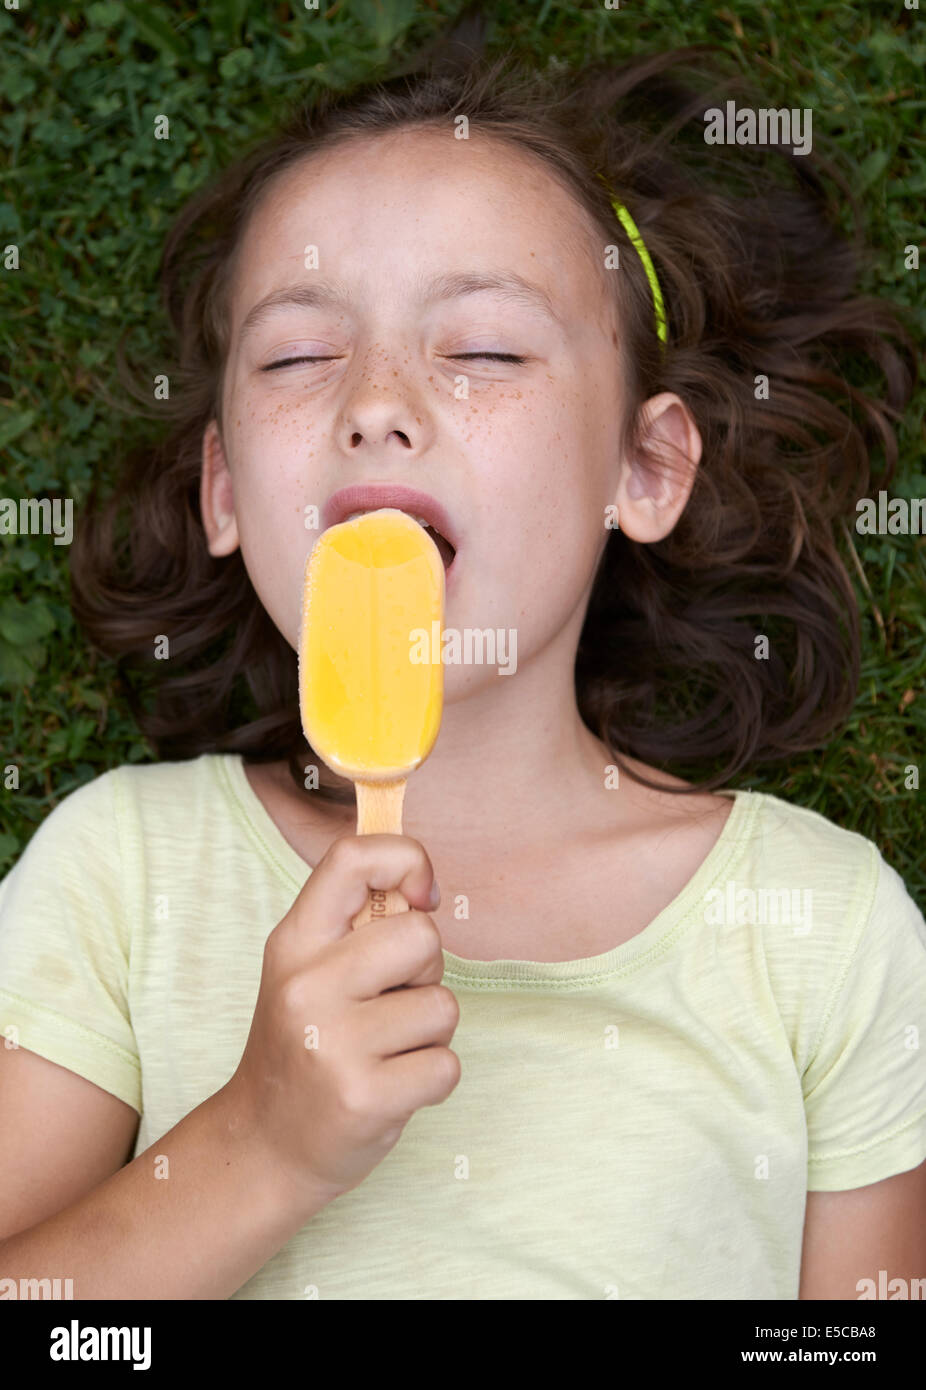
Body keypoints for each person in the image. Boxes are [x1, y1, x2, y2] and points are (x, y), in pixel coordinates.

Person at [1, 45, 924, 1300]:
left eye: (483, 351)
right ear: (223, 489)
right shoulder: (120, 876)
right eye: (294, 357)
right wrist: (258, 1144)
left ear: (642, 471)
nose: (375, 404)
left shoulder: (823, 927)